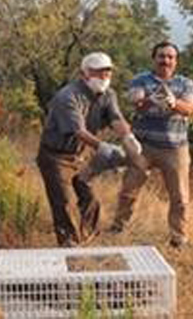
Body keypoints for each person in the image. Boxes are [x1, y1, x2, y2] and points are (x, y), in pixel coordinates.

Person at [36, 52, 142, 247]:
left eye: (107, 73)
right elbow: (78, 131)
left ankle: (86, 237)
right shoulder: (68, 96)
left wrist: (128, 136)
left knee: (90, 198)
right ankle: (69, 244)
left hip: (81, 155)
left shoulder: (108, 94)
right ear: (84, 74)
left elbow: (116, 118)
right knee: (63, 202)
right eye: (98, 73)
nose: (104, 77)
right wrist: (103, 147)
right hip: (56, 156)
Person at [109, 41, 193, 249]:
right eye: (161, 56)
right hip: (143, 146)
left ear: (176, 61)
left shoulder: (185, 83)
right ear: (154, 58)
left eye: (170, 57)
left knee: (180, 197)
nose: (165, 60)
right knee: (129, 189)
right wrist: (151, 100)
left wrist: (173, 103)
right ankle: (118, 227)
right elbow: (137, 105)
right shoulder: (140, 80)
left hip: (175, 147)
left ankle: (178, 237)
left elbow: (189, 109)